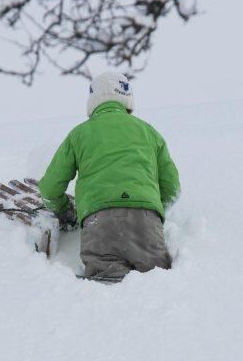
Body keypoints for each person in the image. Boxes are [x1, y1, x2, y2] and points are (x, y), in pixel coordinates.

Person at [39, 72, 180, 283]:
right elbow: (172, 187)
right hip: (146, 222)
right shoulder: (149, 133)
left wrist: (65, 213)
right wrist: (153, 210)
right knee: (156, 286)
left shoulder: (79, 134)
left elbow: (49, 189)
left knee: (106, 290)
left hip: (100, 222)